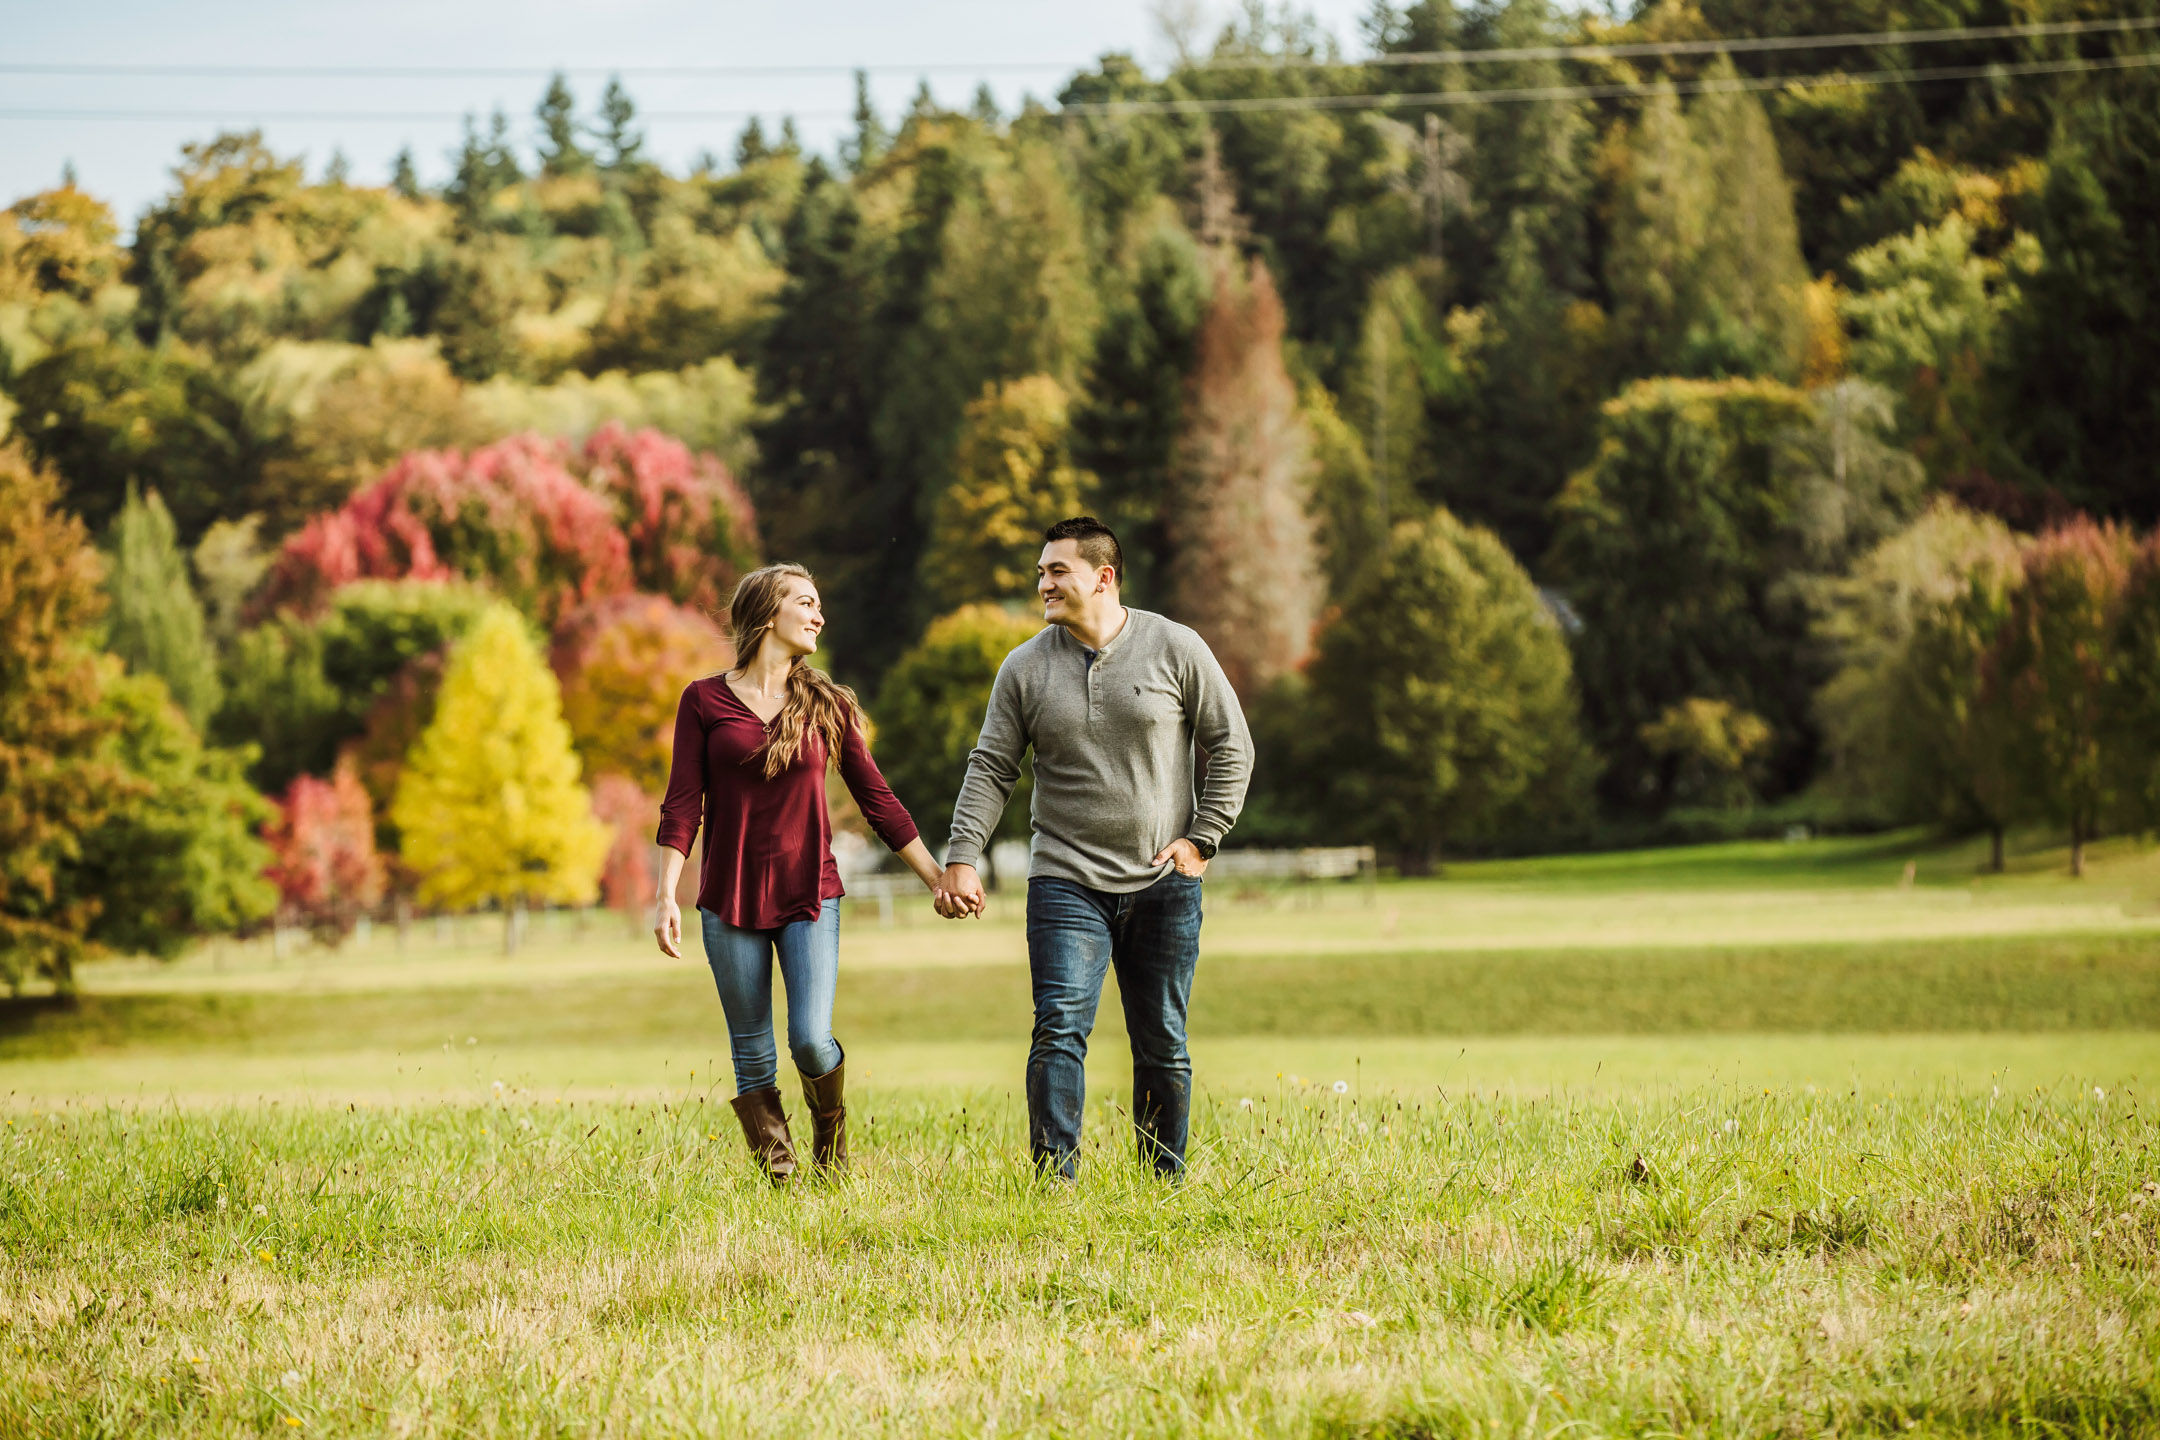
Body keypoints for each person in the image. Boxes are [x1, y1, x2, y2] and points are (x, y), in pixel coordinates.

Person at [936, 517, 1253, 1178]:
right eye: (1041, 571)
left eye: (1057, 571)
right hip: (1065, 880)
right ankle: (1056, 1183)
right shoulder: (1023, 668)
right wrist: (963, 855)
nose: (1043, 583)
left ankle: (1162, 1183)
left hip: (1164, 880)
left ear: (1103, 577)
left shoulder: (1175, 647)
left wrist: (1203, 839)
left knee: (1162, 1040)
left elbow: (1231, 746)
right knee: (1058, 1029)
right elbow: (991, 767)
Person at [654, 562, 953, 1184]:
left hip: (809, 893)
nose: (819, 615)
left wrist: (935, 877)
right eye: (807, 603)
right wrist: (666, 895)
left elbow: (878, 801)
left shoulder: (827, 705)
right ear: (768, 613)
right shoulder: (703, 701)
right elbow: (684, 801)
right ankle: (783, 1180)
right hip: (728, 897)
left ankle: (830, 1141)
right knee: (752, 1050)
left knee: (811, 1039)